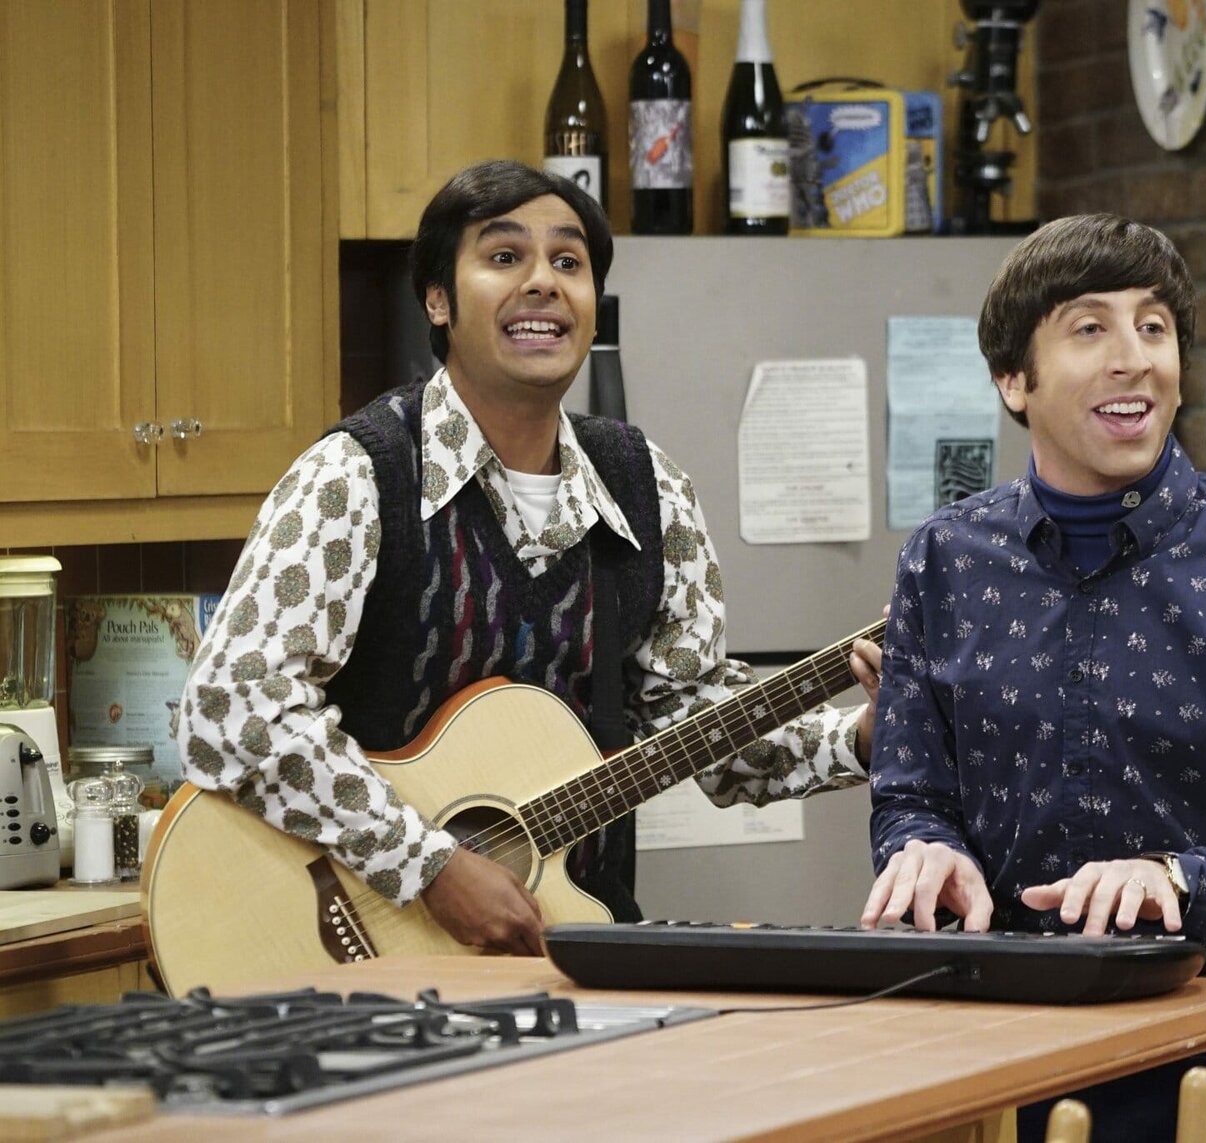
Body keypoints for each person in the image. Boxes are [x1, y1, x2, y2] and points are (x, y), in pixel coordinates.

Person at [178, 158, 881, 956]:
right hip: (364, 959)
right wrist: (427, 865)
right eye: (505, 256)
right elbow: (231, 707)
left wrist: (860, 737)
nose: (544, 282)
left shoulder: (649, 489)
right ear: (437, 299)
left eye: (568, 261)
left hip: (575, 952)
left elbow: (699, 727)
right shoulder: (357, 476)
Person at [858, 214, 1206, 1142]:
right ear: (1014, 379)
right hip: (991, 1054)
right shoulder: (943, 559)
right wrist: (923, 849)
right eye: (1090, 328)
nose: (1134, 358)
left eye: (1154, 327)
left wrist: (1177, 879)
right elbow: (911, 796)